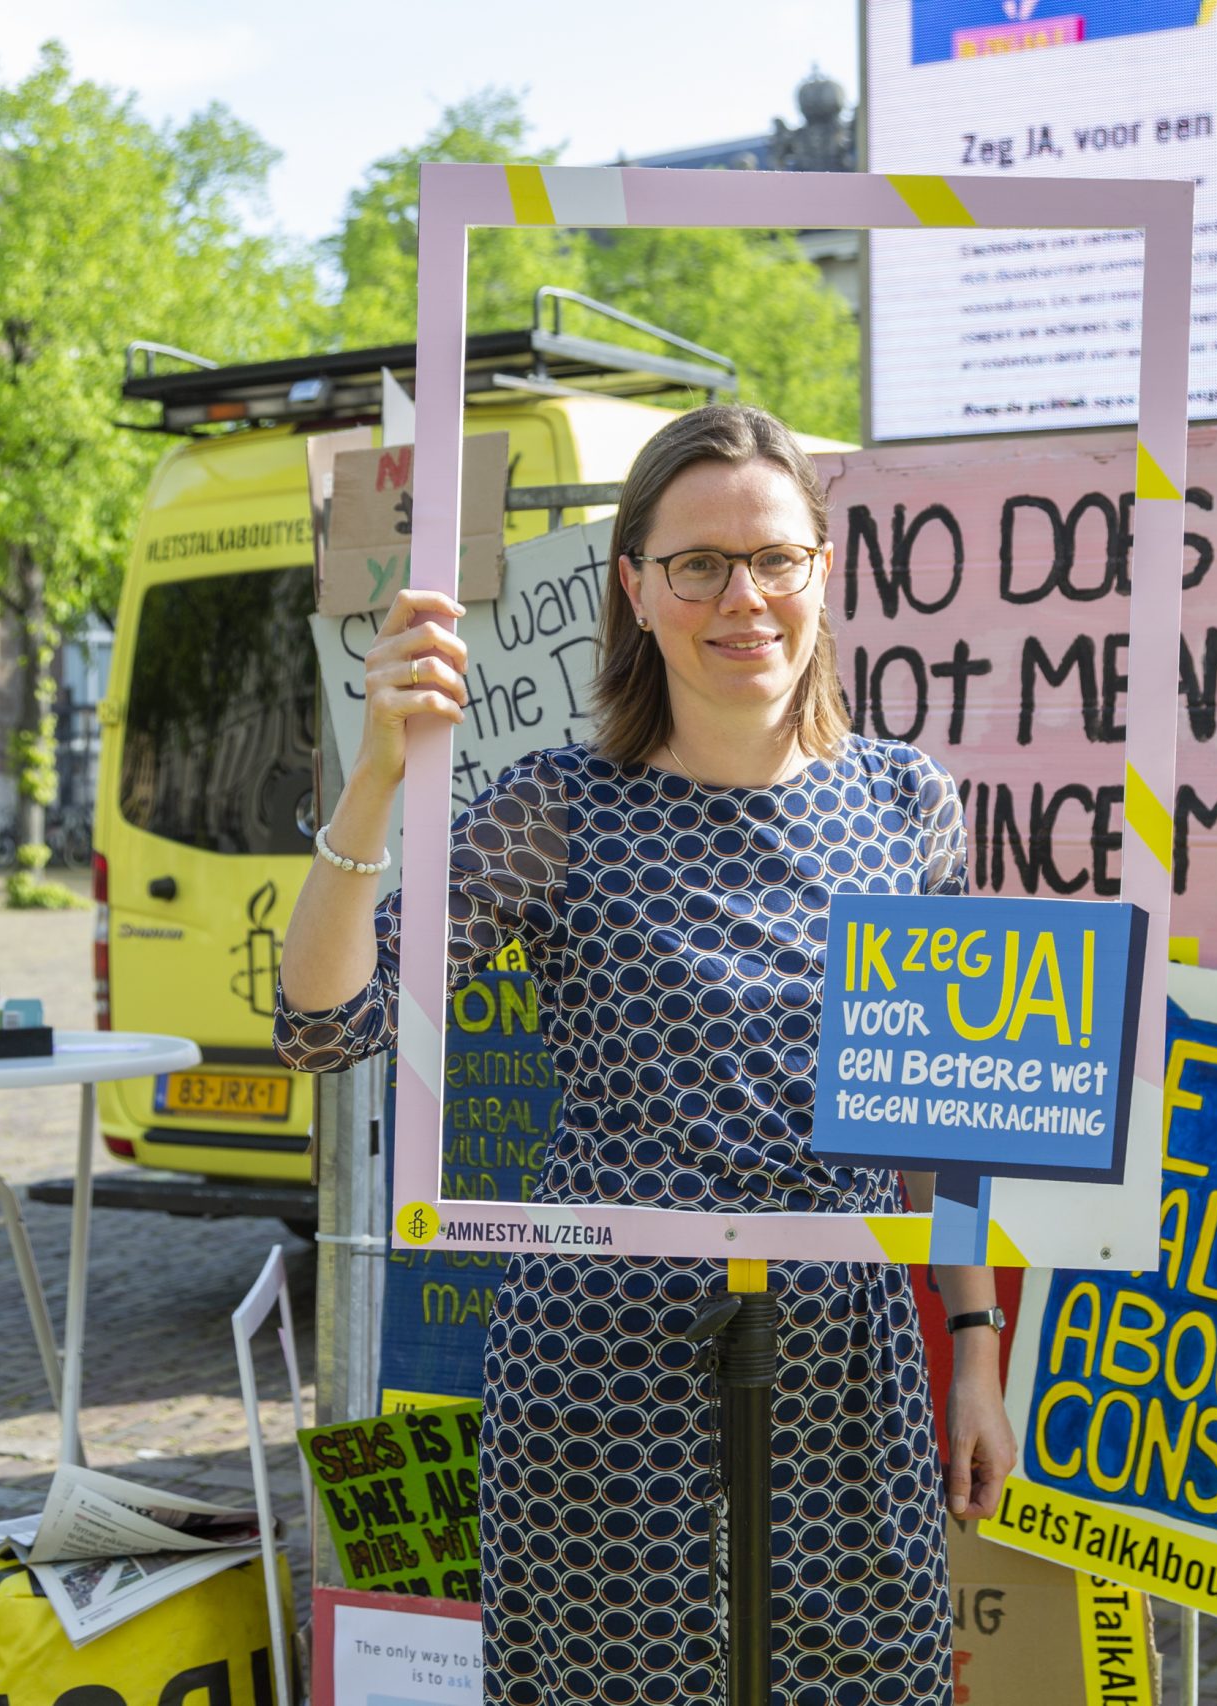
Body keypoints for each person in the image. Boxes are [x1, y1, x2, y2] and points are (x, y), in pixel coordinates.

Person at [276, 403, 1018, 1705]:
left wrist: (975, 1354)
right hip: (607, 1378)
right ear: (635, 584)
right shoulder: (560, 808)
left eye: (775, 558)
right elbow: (327, 1024)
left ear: (822, 570)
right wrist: (375, 779)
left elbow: (940, 1122)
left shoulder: (907, 804)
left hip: (845, 1372)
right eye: (699, 564)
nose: (744, 598)